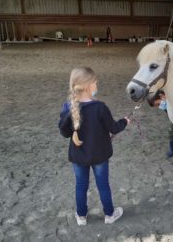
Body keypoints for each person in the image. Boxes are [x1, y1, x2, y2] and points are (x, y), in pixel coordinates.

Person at [58, 67, 130, 226]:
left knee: (81, 186)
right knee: (103, 185)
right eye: (96, 82)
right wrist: (125, 121)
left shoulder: (68, 107)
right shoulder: (100, 108)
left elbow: (64, 132)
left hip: (79, 155)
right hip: (100, 155)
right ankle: (110, 214)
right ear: (88, 85)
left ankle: (81, 216)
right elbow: (114, 128)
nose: (97, 85)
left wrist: (73, 133)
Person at [147, 90, 173, 158]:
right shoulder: (165, 103)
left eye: (158, 104)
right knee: (172, 131)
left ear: (162, 96)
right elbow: (169, 113)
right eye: (157, 105)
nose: (159, 106)